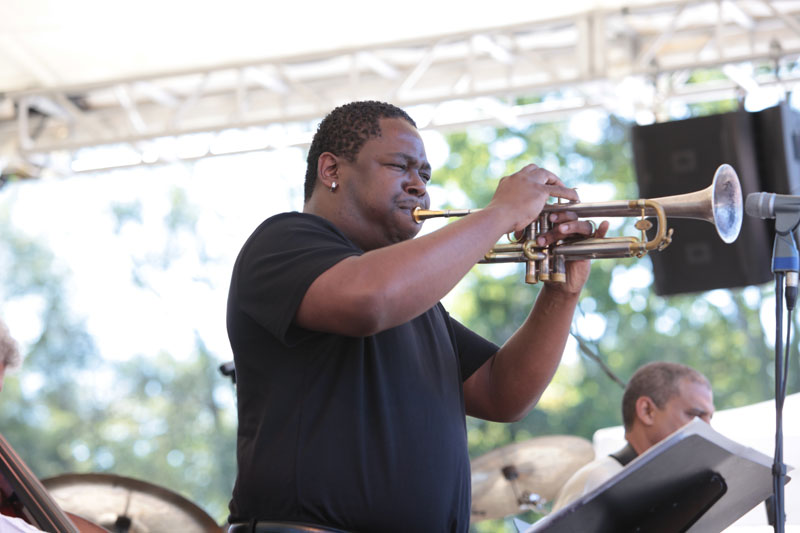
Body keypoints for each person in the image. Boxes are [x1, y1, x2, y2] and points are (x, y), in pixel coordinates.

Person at [225, 100, 608, 532]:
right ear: (331, 170)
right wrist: (499, 214)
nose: (419, 186)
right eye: (400, 166)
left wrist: (562, 292)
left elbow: (505, 394)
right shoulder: (283, 241)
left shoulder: (413, 297)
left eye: (424, 174)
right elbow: (370, 300)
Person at [551, 361, 715, 512]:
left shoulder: (669, 488)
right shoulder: (596, 481)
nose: (707, 429)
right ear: (647, 411)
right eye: (695, 415)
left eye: (709, 418)